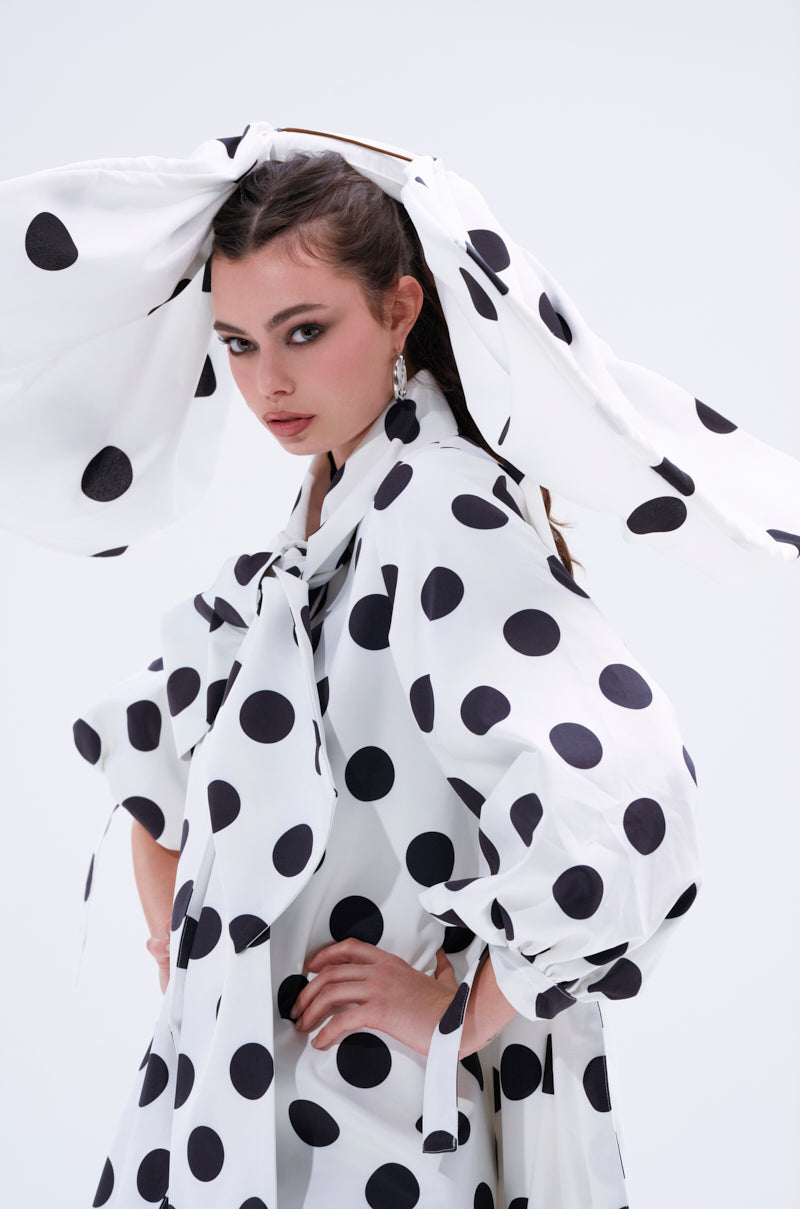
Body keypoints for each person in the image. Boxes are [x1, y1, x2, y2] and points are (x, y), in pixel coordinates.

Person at [71, 148, 703, 1209]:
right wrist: (193, 962)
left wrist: (458, 1009)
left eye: (305, 332)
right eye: (237, 343)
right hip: (239, 1098)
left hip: (361, 1125)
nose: (267, 381)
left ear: (400, 307)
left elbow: (632, 804)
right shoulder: (315, 536)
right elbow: (158, 749)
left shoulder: (434, 514)